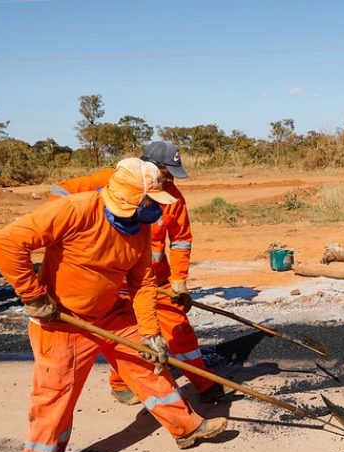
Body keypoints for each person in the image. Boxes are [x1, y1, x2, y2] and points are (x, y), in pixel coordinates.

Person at [0, 158, 227, 452]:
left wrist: (150, 333)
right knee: (56, 393)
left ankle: (185, 427)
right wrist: (33, 294)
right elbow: (7, 243)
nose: (156, 210)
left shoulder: (140, 227)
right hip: (62, 320)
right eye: (151, 201)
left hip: (111, 314)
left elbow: (144, 284)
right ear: (131, 200)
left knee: (148, 364)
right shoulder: (76, 210)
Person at [50, 141, 231, 405]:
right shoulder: (110, 181)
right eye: (166, 172)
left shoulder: (173, 197)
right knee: (126, 335)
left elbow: (180, 240)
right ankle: (121, 383)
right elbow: (59, 192)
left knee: (179, 328)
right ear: (150, 166)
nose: (170, 179)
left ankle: (203, 380)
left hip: (157, 280)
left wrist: (179, 280)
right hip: (116, 281)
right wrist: (81, 223)